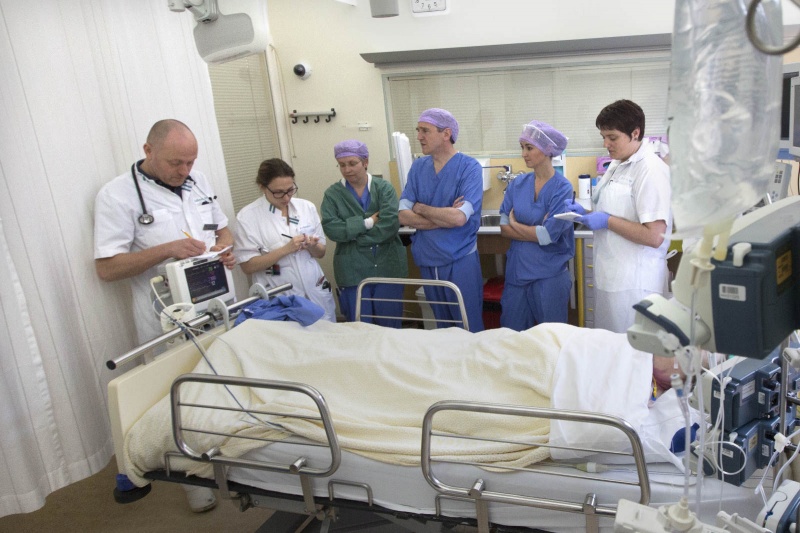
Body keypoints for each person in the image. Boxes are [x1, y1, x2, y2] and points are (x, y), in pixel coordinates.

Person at [94, 118, 231, 512]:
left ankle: (230, 460)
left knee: (220, 385)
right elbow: (107, 268)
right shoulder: (118, 196)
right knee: (181, 396)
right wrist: (168, 249)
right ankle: (195, 484)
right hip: (167, 316)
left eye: (190, 162)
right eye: (176, 163)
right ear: (148, 151)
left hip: (216, 301)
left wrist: (223, 249)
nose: (184, 171)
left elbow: (223, 231)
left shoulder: (199, 181)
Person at [565, 99, 672, 333]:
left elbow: (655, 236)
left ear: (635, 133)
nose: (606, 144)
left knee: (634, 356)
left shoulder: (650, 170)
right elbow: (616, 212)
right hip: (611, 276)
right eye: (603, 136)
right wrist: (585, 213)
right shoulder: (617, 164)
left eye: (612, 137)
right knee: (612, 351)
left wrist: (606, 221)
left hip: (636, 285)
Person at [399, 108, 484, 333]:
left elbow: (459, 218)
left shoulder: (469, 168)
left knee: (468, 326)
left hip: (459, 260)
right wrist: (443, 216)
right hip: (428, 259)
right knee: (441, 329)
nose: (419, 136)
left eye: (425, 130)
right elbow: (403, 215)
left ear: (446, 134)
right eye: (418, 130)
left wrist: (422, 208)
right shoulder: (418, 168)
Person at [234, 158, 336, 322]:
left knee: (328, 337)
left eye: (290, 190)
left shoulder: (306, 208)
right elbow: (248, 265)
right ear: (262, 187)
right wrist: (285, 249)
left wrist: (312, 246)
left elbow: (321, 252)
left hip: (316, 291)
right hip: (280, 297)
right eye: (278, 192)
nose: (286, 197)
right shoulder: (248, 217)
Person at [321, 140, 408, 327]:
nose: (347, 169)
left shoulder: (384, 189)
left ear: (365, 162)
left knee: (390, 326)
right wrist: (366, 223)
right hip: (352, 270)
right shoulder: (332, 195)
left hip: (387, 266)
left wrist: (353, 235)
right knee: (359, 327)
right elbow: (331, 229)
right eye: (342, 165)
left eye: (353, 163)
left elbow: (389, 225)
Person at [499, 120, 574, 331]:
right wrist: (533, 230)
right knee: (512, 336)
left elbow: (548, 236)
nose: (523, 153)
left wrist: (516, 223)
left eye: (529, 147)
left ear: (548, 149)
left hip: (549, 276)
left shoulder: (562, 188)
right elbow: (504, 228)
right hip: (517, 272)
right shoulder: (517, 184)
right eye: (522, 147)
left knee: (551, 339)